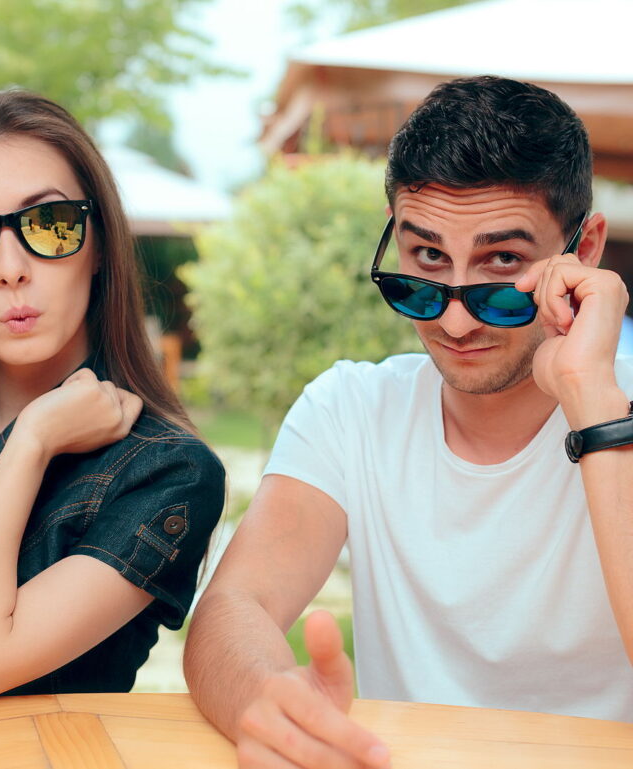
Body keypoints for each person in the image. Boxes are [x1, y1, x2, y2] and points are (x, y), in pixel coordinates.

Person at [184, 76, 633, 769]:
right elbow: (232, 607)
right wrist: (270, 701)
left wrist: (595, 404)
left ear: (587, 247)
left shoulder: (615, 406)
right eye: (426, 263)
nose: (454, 320)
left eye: (502, 264)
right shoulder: (352, 410)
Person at [0, 90, 224, 706]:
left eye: (49, 225)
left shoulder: (168, 474)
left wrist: (31, 442)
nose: (9, 269)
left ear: (102, 243)